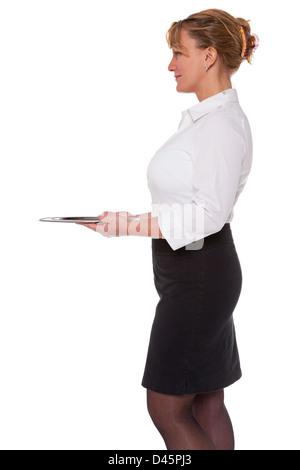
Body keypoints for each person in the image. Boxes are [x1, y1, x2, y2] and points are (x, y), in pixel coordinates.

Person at [79, 8, 259, 451]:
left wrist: (126, 225)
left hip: (199, 277)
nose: (171, 64)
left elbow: (208, 214)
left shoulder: (220, 126)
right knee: (205, 401)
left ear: (210, 56)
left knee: (166, 405)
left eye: (179, 53)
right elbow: (189, 203)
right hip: (196, 272)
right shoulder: (209, 119)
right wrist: (126, 220)